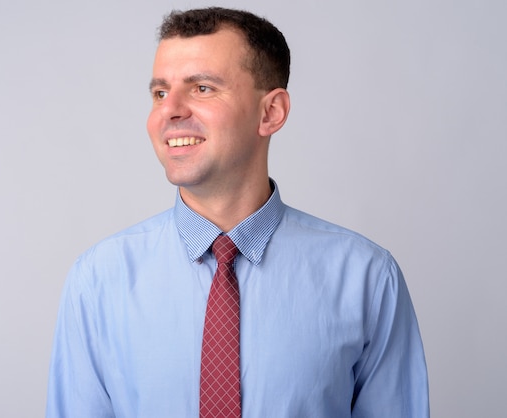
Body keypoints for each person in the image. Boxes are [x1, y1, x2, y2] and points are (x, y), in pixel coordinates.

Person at [46, 7, 429, 417]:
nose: (169, 111)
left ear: (271, 112)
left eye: (202, 88)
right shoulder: (98, 281)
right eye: (160, 93)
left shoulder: (366, 278)